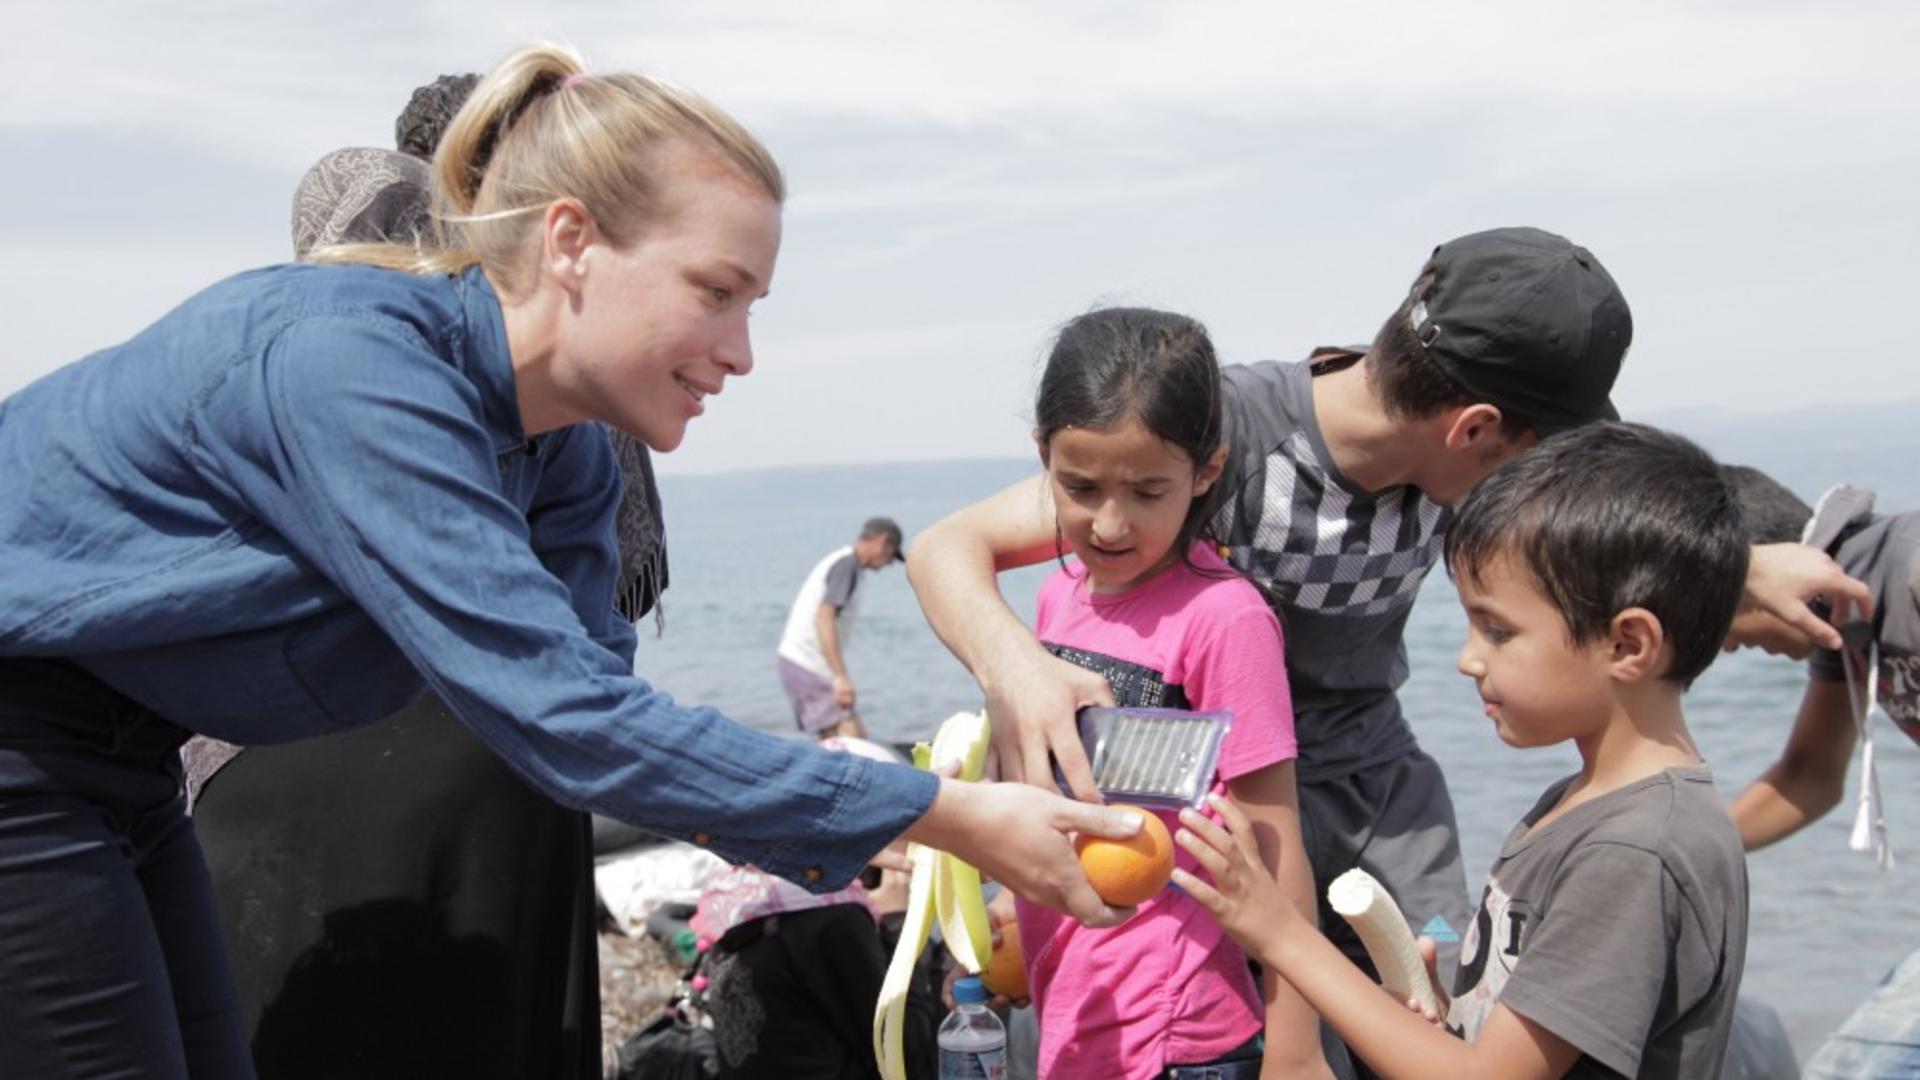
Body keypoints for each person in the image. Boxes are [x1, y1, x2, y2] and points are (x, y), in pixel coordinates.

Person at [0, 43, 1140, 1080]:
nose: (742, 353)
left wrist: (908, 823)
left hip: (123, 765)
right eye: (716, 293)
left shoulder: (568, 457)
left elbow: (607, 739)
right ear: (570, 240)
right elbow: (570, 721)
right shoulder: (355, 368)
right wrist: (948, 813)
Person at [906, 228, 1867, 1026]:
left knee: (1434, 1016)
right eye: (1546, 451)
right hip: (1221, 798)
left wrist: (1745, 561)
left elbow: (1612, 531)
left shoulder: (1455, 465)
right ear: (1478, 428)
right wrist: (1017, 671)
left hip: (1375, 793)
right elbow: (949, 547)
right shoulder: (1210, 437)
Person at [1177, 421, 1752, 1079]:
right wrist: (1438, 1012)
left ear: (1627, 645)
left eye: (1498, 631)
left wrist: (1278, 932)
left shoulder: (1632, 852)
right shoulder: (1580, 805)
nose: (1467, 660)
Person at [997, 308, 1328, 1078]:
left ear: (1205, 472)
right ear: (1043, 456)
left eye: (1148, 491)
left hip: (1180, 1033)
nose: (1109, 524)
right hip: (1074, 1008)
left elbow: (1276, 843)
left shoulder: (1223, 616)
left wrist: (1297, 1048)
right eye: (1079, 487)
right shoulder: (1060, 595)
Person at [1718, 465, 1918, 1079]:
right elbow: (1809, 774)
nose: (1719, 644)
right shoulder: (1844, 635)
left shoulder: (1906, 568)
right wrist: (1670, 850)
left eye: (1713, 608)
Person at [776, 517, 906, 740]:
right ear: (882, 542)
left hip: (798, 661)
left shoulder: (845, 563)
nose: (888, 564)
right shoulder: (847, 566)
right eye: (891, 556)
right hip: (807, 663)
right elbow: (823, 618)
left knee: (836, 742)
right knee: (853, 740)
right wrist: (840, 677)